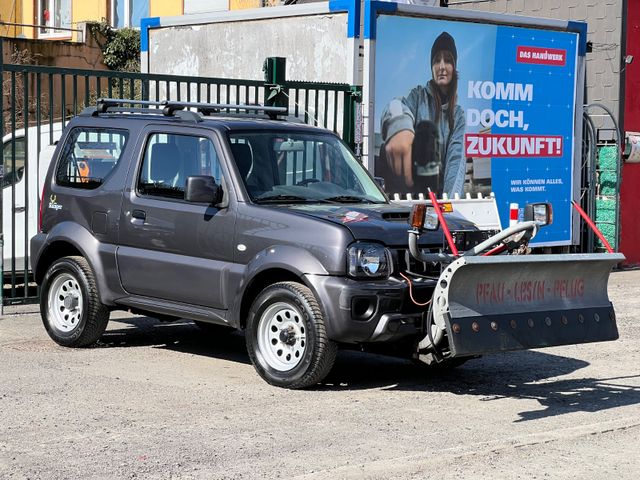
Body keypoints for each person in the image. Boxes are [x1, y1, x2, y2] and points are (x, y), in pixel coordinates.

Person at [379, 31, 466, 197]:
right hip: (410, 194)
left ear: (454, 67)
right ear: (431, 67)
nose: (441, 66)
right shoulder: (417, 96)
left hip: (438, 201)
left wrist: (449, 206)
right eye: (436, 61)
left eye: (447, 60)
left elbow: (456, 161)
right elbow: (396, 105)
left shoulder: (458, 115)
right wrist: (399, 126)